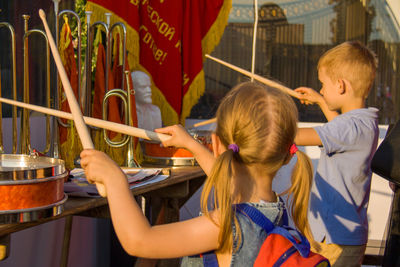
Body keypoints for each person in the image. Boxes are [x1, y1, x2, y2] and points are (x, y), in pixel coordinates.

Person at [80, 82, 315, 266]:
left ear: (218, 145)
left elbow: (140, 241)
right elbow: (231, 181)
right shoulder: (274, 208)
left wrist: (114, 179)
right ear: (287, 154)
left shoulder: (225, 225)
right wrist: (192, 145)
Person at [294, 41, 379, 266]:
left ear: (340, 86)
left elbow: (300, 137)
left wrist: (271, 123)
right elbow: (339, 130)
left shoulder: (350, 127)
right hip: (339, 236)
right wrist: (322, 100)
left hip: (336, 240)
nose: (321, 89)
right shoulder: (363, 122)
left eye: (323, 85)